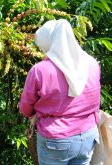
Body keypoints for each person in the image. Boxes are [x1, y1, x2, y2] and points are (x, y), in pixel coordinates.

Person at [19, 19, 101, 164]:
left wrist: (34, 115)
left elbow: (26, 106)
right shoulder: (92, 64)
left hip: (56, 139)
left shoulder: (40, 70)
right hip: (88, 133)